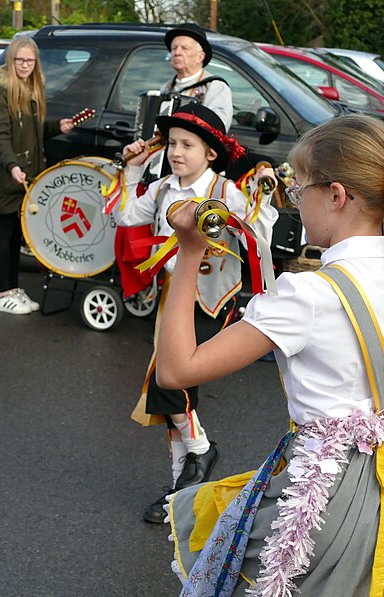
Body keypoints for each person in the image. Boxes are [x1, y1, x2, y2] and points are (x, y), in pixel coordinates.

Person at [160, 114, 384, 595]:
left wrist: (186, 252)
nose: (293, 199)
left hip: (325, 498)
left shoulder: (307, 295)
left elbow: (177, 370)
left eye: (297, 186)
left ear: (336, 195)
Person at [113, 103, 278, 524]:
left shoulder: (224, 192)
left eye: (188, 144)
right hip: (174, 297)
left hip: (212, 299)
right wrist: (132, 170)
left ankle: (202, 452)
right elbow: (125, 215)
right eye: (171, 144)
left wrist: (261, 194)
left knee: (170, 381)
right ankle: (180, 491)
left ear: (210, 153)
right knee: (168, 389)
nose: (176, 152)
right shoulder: (165, 187)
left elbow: (259, 232)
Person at [0, 37, 73, 314]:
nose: (24, 65)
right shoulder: (1, 92)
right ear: (11, 61)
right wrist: (12, 166)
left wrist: (57, 126)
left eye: (29, 61)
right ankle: (2, 294)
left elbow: (33, 134)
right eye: (19, 60)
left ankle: (13, 289)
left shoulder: (31, 89)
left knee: (14, 236)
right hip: (8, 175)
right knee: (4, 233)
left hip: (26, 175)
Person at [162, 23, 232, 131]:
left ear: (200, 57)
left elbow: (218, 130)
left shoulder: (215, 87)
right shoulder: (166, 88)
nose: (177, 53)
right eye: (174, 48)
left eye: (185, 48)